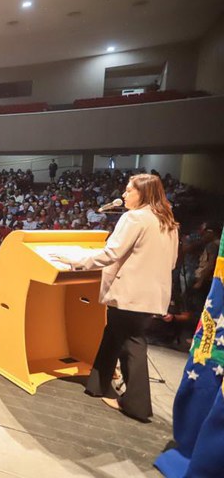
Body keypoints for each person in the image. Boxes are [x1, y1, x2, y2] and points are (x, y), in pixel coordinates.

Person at [53, 174, 179, 422]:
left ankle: (136, 405)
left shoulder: (134, 218)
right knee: (113, 334)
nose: (123, 195)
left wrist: (74, 259)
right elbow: (172, 263)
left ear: (142, 193)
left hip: (130, 293)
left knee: (132, 343)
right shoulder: (168, 222)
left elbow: (111, 253)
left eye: (128, 190)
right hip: (151, 294)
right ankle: (97, 385)